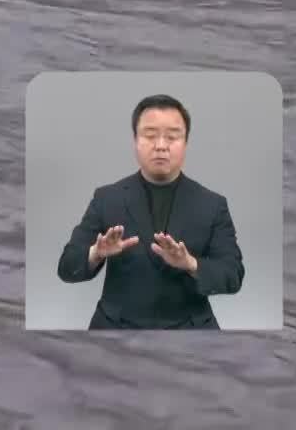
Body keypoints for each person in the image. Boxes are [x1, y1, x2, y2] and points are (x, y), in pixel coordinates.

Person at [55, 94, 245, 328]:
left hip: (191, 330)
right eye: (150, 135)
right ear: (135, 140)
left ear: (186, 142)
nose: (161, 146)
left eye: (172, 137)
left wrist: (191, 264)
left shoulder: (213, 204)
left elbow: (233, 275)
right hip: (116, 328)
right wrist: (96, 252)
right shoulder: (107, 198)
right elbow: (66, 267)